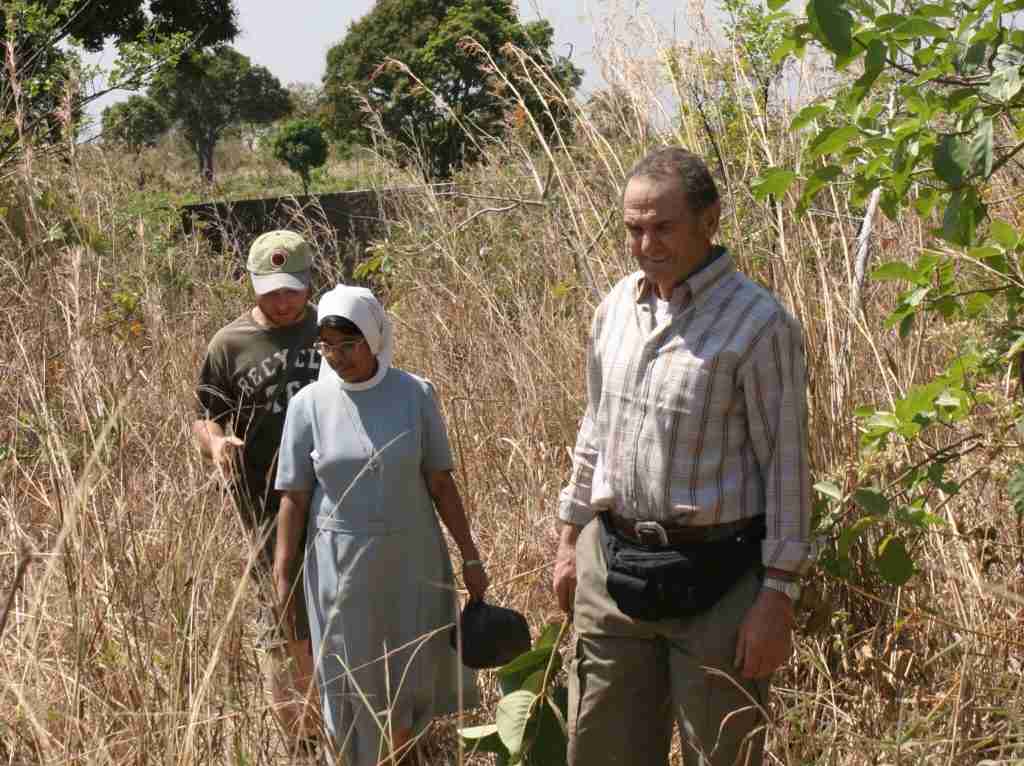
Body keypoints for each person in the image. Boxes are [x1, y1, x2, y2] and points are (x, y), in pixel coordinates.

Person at [552, 147, 811, 766]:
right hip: (614, 572)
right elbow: (597, 427)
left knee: (721, 753)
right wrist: (569, 538)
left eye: (663, 226)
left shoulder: (758, 324)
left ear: (709, 220)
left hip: (719, 584)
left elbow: (788, 468)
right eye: (633, 228)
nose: (646, 243)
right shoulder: (615, 308)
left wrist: (777, 596)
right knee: (601, 750)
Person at [273, 285, 488, 766]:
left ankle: (405, 755)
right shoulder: (308, 404)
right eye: (327, 347)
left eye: (348, 345)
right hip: (339, 569)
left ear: (374, 337)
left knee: (410, 679)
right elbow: (294, 496)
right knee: (349, 680)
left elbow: (440, 483)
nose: (338, 357)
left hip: (412, 560)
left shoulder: (414, 393)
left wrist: (470, 556)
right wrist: (283, 572)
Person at [192, 229, 321, 751]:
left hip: (341, 500)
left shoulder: (333, 328)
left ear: (309, 283)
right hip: (265, 507)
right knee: (283, 620)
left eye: (291, 288)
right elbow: (204, 416)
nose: (283, 299)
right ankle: (304, 742)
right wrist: (217, 446)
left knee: (344, 608)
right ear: (251, 283)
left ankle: (358, 727)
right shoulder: (229, 344)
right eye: (271, 289)